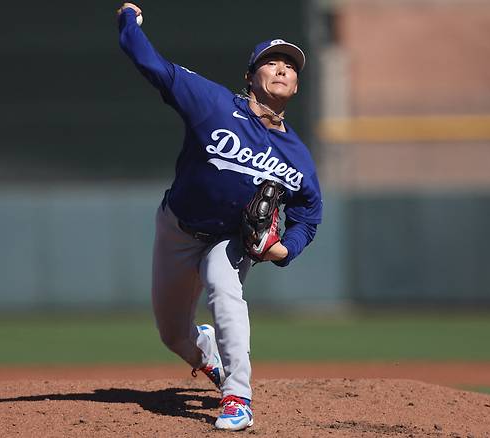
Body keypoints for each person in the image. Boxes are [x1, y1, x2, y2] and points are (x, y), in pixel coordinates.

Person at [116, 3, 323, 431]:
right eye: (271, 62)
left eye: (290, 66)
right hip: (177, 226)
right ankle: (205, 352)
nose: (282, 69)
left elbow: (308, 216)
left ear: (297, 85)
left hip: (229, 239)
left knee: (223, 284)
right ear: (250, 76)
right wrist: (128, 22)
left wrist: (284, 248)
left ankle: (238, 396)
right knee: (173, 335)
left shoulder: (298, 158)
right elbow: (155, 66)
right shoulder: (212, 103)